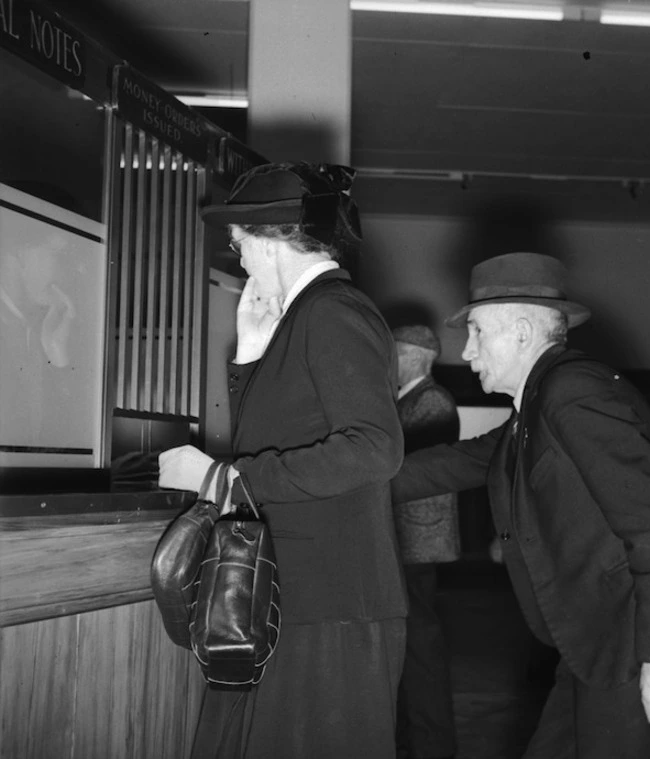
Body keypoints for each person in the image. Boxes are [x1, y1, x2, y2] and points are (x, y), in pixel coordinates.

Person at [392, 252, 650, 759]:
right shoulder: (543, 401)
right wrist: (345, 481)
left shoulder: (571, 393)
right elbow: (455, 464)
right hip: (597, 642)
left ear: (522, 332)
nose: (469, 351)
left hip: (639, 643)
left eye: (477, 332)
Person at [158, 162, 407, 759]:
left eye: (240, 246)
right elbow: (270, 438)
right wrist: (248, 352)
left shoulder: (332, 310)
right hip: (298, 598)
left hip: (331, 608)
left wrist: (220, 478)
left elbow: (376, 449)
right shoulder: (305, 315)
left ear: (271, 241)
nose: (238, 260)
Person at [391, 324, 460, 759]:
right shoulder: (411, 398)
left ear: (413, 356)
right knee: (412, 647)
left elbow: (413, 468)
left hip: (418, 539)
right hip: (409, 538)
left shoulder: (432, 400)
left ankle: (434, 745)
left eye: (392, 353)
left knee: (421, 648)